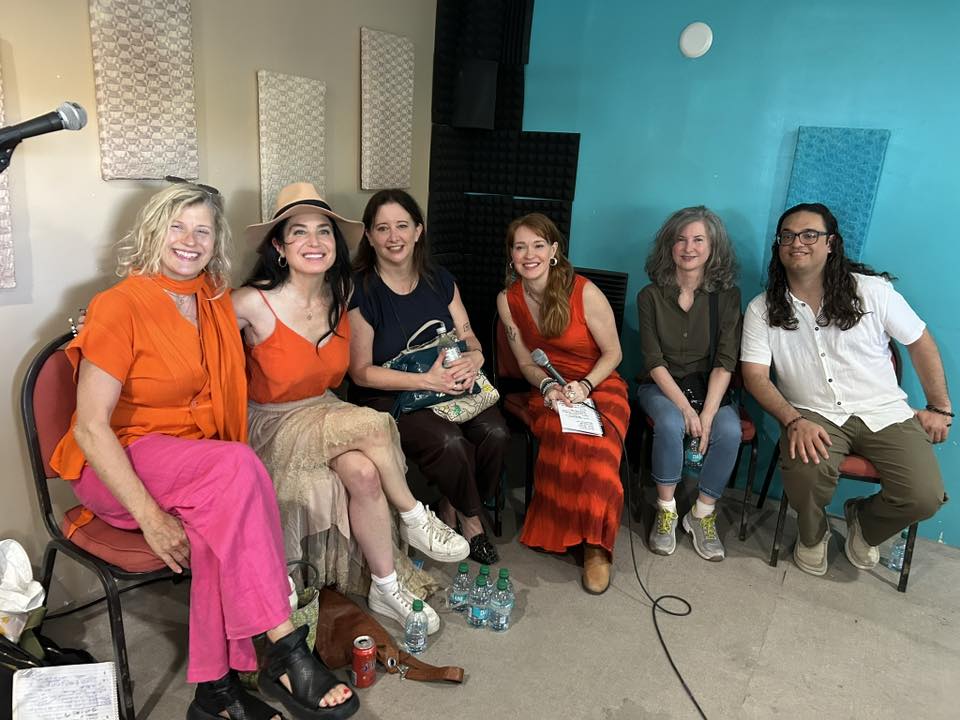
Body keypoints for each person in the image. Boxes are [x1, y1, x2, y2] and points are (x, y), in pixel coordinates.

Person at [50, 183, 358, 719]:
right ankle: (287, 648)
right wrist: (151, 518)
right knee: (238, 467)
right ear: (153, 231)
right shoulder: (117, 305)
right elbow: (92, 430)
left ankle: (215, 694)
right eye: (177, 226)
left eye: (203, 230)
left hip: (196, 466)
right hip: (121, 463)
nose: (189, 240)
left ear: (216, 242)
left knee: (222, 519)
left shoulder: (214, 299)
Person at [235, 182, 468, 636]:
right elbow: (195, 334)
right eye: (299, 232)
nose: (314, 241)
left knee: (363, 472)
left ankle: (385, 586)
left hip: (322, 410)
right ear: (279, 247)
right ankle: (414, 517)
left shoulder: (341, 295)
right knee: (373, 424)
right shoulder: (250, 302)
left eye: (323, 231)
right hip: (271, 420)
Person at [742, 202, 949, 576]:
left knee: (924, 495)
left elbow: (920, 342)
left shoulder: (872, 292)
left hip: (883, 411)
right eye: (787, 236)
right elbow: (755, 375)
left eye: (809, 234)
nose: (797, 243)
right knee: (807, 471)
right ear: (778, 246)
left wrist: (939, 406)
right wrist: (793, 420)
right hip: (812, 412)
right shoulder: (763, 308)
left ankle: (865, 524)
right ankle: (812, 535)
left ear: (831, 244)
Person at [348, 189, 508, 565]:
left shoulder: (440, 280)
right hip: (391, 395)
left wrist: (475, 357)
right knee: (449, 443)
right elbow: (360, 372)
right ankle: (473, 523)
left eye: (402, 226)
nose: (394, 237)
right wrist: (425, 382)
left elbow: (468, 336)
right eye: (382, 228)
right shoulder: (362, 290)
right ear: (369, 236)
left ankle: (451, 502)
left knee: (497, 434)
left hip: (448, 384)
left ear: (418, 231)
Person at [495, 213, 630, 594]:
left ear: (554, 250)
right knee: (562, 435)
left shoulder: (585, 292)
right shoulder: (508, 300)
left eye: (538, 245)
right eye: (520, 247)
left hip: (598, 383)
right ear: (511, 255)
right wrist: (547, 387)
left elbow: (614, 353)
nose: (529, 255)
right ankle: (565, 526)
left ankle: (596, 546)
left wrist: (585, 386)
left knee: (599, 447)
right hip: (550, 389)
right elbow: (525, 363)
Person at [636, 206, 743, 562]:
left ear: (712, 247)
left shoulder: (727, 297)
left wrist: (707, 414)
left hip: (708, 387)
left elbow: (725, 360)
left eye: (698, 239)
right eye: (680, 240)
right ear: (669, 246)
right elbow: (653, 361)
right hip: (662, 386)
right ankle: (666, 510)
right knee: (670, 423)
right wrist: (684, 408)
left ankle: (701, 513)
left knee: (730, 431)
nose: (688, 248)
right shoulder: (650, 296)